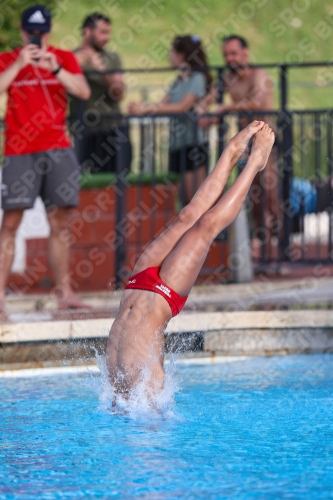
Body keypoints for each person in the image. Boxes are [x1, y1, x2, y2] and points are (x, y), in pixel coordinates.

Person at [106, 121, 275, 401]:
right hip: (164, 294)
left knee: (188, 216)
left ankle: (232, 152)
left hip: (139, 284)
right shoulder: (149, 402)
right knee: (206, 224)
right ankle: (255, 162)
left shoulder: (138, 402)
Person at [0, 4, 91, 313]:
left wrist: (55, 69)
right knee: (10, 222)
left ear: (48, 31)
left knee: (60, 222)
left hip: (57, 146)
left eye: (41, 33)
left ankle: (64, 293)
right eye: (31, 33)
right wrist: (19, 65)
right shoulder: (9, 58)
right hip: (19, 149)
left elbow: (83, 91)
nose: (35, 38)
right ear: (23, 31)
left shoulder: (62, 57)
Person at [199, 35, 278, 258]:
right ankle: (261, 249)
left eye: (234, 54)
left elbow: (256, 102)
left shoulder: (258, 75)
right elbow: (209, 99)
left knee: (270, 197)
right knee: (252, 198)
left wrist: (223, 109)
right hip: (247, 144)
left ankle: (279, 250)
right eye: (226, 55)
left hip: (267, 142)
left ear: (245, 53)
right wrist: (203, 112)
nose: (230, 59)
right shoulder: (228, 78)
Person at [129, 35, 212, 205]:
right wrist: (141, 108)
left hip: (193, 144)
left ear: (181, 55)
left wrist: (146, 108)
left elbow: (182, 106)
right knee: (180, 199)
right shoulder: (178, 81)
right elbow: (161, 104)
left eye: (172, 52)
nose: (169, 56)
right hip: (177, 145)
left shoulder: (198, 78)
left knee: (194, 200)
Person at [71, 13, 131, 174]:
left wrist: (103, 71)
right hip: (83, 130)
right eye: (103, 32)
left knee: (116, 182)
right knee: (84, 184)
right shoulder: (70, 58)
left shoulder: (112, 58)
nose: (107, 37)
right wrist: (73, 65)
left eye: (108, 32)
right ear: (87, 32)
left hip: (113, 129)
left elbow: (118, 93)